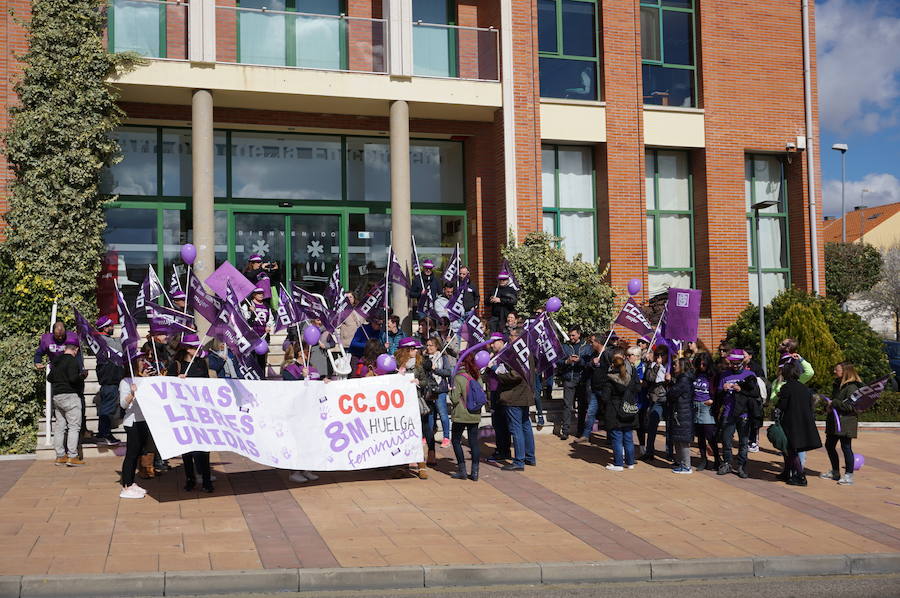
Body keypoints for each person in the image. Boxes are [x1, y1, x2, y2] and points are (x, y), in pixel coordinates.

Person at [167, 334, 213, 492]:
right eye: (194, 347)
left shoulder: (201, 363)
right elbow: (167, 387)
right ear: (187, 348)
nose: (197, 350)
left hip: (201, 411)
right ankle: (190, 479)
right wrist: (177, 380)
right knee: (187, 448)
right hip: (184, 411)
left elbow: (207, 383)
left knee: (204, 448)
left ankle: (206, 480)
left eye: (198, 347)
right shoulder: (176, 365)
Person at [493, 329, 535, 471]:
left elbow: (514, 376)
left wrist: (496, 372)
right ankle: (529, 456)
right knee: (525, 426)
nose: (509, 339)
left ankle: (519, 461)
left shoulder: (517, 352)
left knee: (517, 428)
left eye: (511, 336)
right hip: (524, 394)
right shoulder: (526, 352)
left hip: (514, 395)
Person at [775, 358, 821, 486]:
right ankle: (787, 472)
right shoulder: (804, 388)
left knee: (791, 450)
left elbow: (782, 406)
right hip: (804, 422)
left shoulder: (786, 388)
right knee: (791, 449)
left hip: (791, 423)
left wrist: (778, 401)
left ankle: (800, 476)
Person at [716, 349, 761, 479]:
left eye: (737, 363)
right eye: (732, 363)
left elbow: (755, 393)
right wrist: (723, 389)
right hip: (728, 412)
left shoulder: (750, 374)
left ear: (742, 362)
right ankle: (727, 463)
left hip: (743, 413)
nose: (735, 365)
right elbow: (718, 394)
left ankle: (741, 465)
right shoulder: (724, 375)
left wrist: (740, 389)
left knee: (743, 441)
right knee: (726, 440)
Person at [821, 362, 862, 485]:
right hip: (834, 421)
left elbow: (852, 407)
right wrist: (828, 407)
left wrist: (834, 403)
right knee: (829, 445)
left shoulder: (852, 388)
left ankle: (849, 475)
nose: (834, 371)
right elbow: (834, 402)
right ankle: (835, 471)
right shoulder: (837, 385)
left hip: (846, 423)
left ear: (845, 372)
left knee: (846, 448)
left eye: (836, 370)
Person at [48, 333, 85, 467]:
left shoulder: (57, 360)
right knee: (74, 426)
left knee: (59, 427)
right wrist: (82, 376)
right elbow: (73, 378)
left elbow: (49, 378)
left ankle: (60, 456)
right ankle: (72, 456)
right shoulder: (72, 361)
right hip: (70, 396)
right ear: (75, 349)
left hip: (57, 396)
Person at [572, 334, 615, 445]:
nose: (591, 344)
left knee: (607, 414)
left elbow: (614, 369)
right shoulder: (594, 354)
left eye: (592, 342)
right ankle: (585, 435)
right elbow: (587, 367)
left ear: (598, 343)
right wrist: (592, 363)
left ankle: (610, 438)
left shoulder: (609, 354)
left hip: (606, 389)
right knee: (591, 412)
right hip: (595, 389)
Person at [118, 359, 152, 499]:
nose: (143, 362)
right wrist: (132, 393)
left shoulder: (142, 379)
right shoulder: (125, 382)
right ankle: (127, 485)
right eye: (141, 360)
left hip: (143, 420)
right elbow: (123, 404)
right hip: (132, 422)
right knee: (131, 454)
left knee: (137, 452)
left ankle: (131, 483)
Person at [396, 337, 429, 478]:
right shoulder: (397, 364)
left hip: (415, 403)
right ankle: (402, 466)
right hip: (401, 405)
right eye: (413, 349)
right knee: (402, 435)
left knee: (416, 434)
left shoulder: (418, 365)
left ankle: (422, 466)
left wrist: (418, 382)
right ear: (407, 350)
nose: (416, 351)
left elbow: (425, 381)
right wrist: (398, 376)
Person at [602, 350, 640, 471]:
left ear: (613, 365)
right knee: (628, 437)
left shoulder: (610, 380)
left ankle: (618, 463)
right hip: (628, 409)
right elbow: (636, 389)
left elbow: (604, 397)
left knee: (617, 437)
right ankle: (630, 462)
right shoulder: (629, 378)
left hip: (615, 410)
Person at [449, 352, 483, 481]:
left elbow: (454, 398)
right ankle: (475, 472)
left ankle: (462, 470)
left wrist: (450, 389)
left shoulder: (458, 377)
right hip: (474, 413)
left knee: (456, 441)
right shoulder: (477, 376)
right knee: (474, 442)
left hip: (461, 414)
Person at [94, 316, 124, 446]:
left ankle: (102, 433)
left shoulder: (104, 340)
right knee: (107, 409)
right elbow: (120, 349)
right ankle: (105, 434)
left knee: (107, 408)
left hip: (111, 381)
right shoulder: (103, 340)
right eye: (111, 326)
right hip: (109, 381)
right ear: (105, 328)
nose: (113, 328)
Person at [557, 325, 591, 441]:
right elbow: (558, 362)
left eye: (573, 335)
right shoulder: (565, 346)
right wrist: (567, 361)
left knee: (582, 407)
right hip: (569, 379)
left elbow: (589, 364)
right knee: (567, 405)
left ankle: (580, 431)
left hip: (582, 380)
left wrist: (580, 361)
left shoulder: (587, 347)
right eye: (570, 335)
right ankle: (565, 431)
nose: (571, 337)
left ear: (579, 334)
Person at [484, 332, 512, 463]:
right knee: (497, 422)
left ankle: (503, 451)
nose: (491, 345)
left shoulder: (505, 353)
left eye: (494, 342)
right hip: (493, 390)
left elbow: (504, 372)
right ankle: (501, 448)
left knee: (501, 423)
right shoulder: (495, 354)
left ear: (501, 341)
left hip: (501, 391)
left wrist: (493, 366)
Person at [639, 345, 670, 462]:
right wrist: (656, 366)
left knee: (669, 428)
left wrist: (670, 379)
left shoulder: (670, 366)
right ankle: (649, 452)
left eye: (662, 355)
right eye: (658, 355)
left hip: (668, 400)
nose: (660, 357)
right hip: (656, 399)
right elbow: (649, 378)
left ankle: (669, 452)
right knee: (652, 426)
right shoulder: (652, 366)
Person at [423, 337, 454, 449]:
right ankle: (429, 436)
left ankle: (446, 437)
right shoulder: (424, 357)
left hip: (440, 388)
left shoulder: (442, 357)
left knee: (442, 413)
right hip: (429, 389)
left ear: (437, 346)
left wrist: (436, 370)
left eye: (431, 345)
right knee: (430, 415)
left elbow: (448, 372)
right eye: (427, 345)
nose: (428, 347)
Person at [692, 352, 719, 472]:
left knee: (710, 435)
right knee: (700, 436)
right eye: (700, 363)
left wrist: (712, 401)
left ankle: (718, 459)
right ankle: (703, 459)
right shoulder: (696, 374)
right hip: (695, 405)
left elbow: (718, 391)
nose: (702, 366)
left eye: (704, 363)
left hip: (706, 407)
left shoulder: (713, 375)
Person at [668, 357, 695, 474]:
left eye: (676, 365)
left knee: (683, 440)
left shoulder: (684, 380)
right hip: (680, 411)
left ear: (682, 366)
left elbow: (672, 393)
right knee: (678, 438)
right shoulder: (682, 378)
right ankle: (680, 462)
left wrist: (669, 382)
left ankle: (686, 465)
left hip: (683, 412)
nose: (674, 367)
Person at [243, 287, 273, 373]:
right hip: (251, 336)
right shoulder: (247, 304)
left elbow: (270, 318)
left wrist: (268, 326)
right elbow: (244, 318)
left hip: (263, 336)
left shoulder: (266, 305)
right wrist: (251, 312)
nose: (261, 295)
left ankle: (261, 375)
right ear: (254, 295)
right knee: (251, 358)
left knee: (262, 358)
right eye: (259, 293)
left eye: (262, 293)